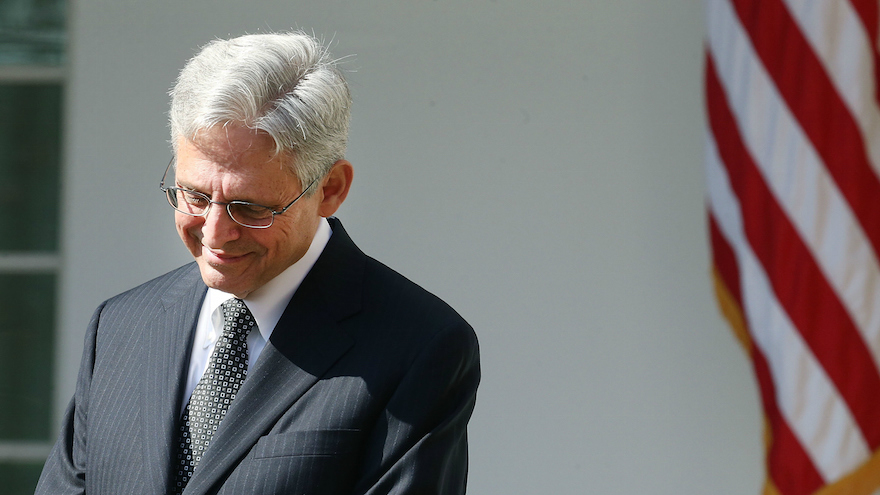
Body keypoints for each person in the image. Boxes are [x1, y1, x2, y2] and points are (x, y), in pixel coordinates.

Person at [35, 32, 480, 495]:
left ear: (330, 190)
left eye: (249, 207)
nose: (214, 232)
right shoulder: (122, 327)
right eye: (195, 195)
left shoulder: (419, 346)